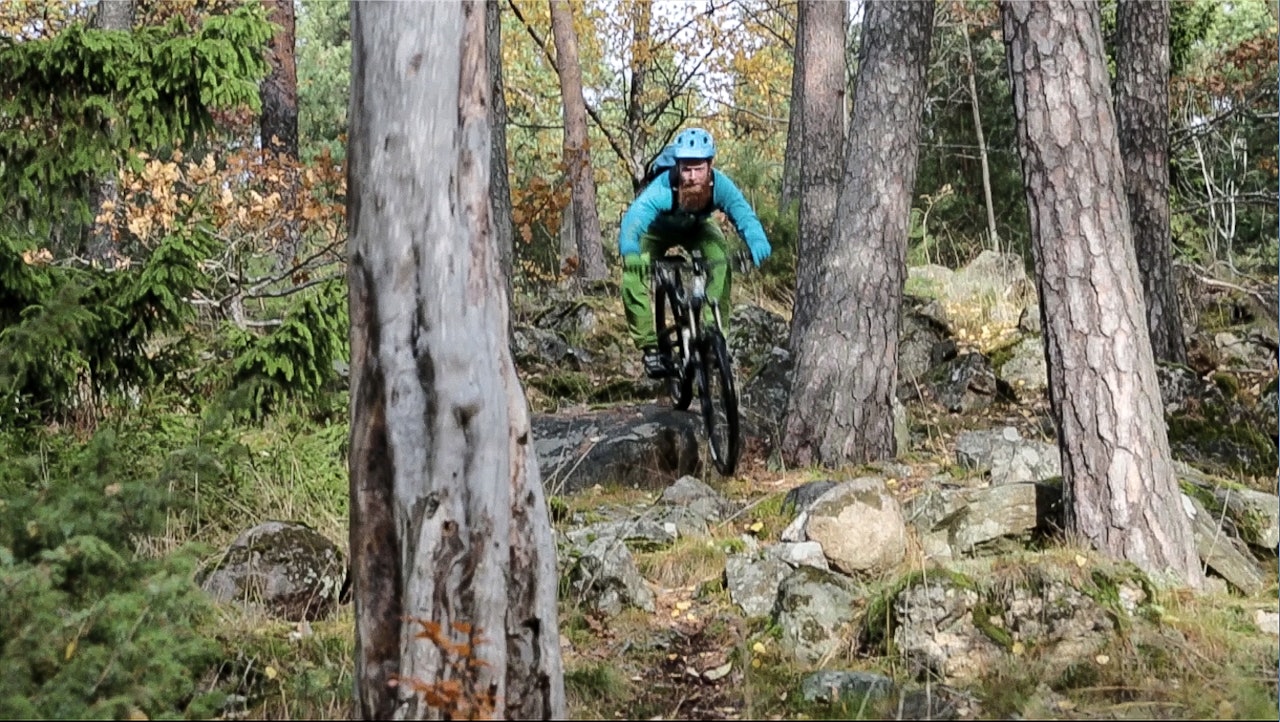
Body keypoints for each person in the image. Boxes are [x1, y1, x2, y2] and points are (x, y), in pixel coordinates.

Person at [617, 127, 772, 379]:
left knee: (719, 259)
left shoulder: (720, 185)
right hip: (656, 230)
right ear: (677, 167)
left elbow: (741, 211)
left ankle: (713, 330)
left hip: (697, 228)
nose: (691, 176)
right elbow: (636, 217)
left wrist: (756, 240)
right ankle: (650, 347)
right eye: (686, 169)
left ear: (710, 166)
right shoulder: (663, 187)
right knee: (633, 276)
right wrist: (631, 250)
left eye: (698, 169)